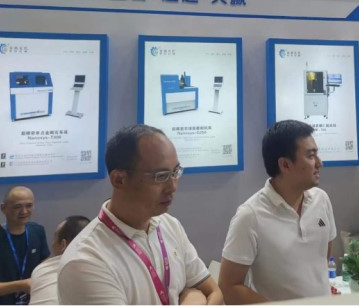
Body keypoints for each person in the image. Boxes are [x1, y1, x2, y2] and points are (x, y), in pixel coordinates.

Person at [57, 124, 223, 305]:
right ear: (119, 179)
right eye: (161, 176)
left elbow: (214, 292)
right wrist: (194, 298)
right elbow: (204, 295)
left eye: (175, 172)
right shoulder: (85, 261)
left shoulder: (169, 225)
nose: (172, 186)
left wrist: (197, 295)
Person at [219, 120, 336, 303]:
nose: (319, 163)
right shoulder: (250, 216)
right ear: (285, 165)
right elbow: (229, 287)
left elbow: (322, 260)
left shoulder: (321, 200)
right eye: (311, 156)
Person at [0, 186, 50, 305]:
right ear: (3, 208)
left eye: (29, 205)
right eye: (17, 207)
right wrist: (20, 285)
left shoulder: (38, 231)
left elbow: (44, 268)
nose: (24, 211)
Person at [29, 216, 90, 305]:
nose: (52, 243)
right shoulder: (101, 268)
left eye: (55, 237)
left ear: (63, 245)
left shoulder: (42, 270)